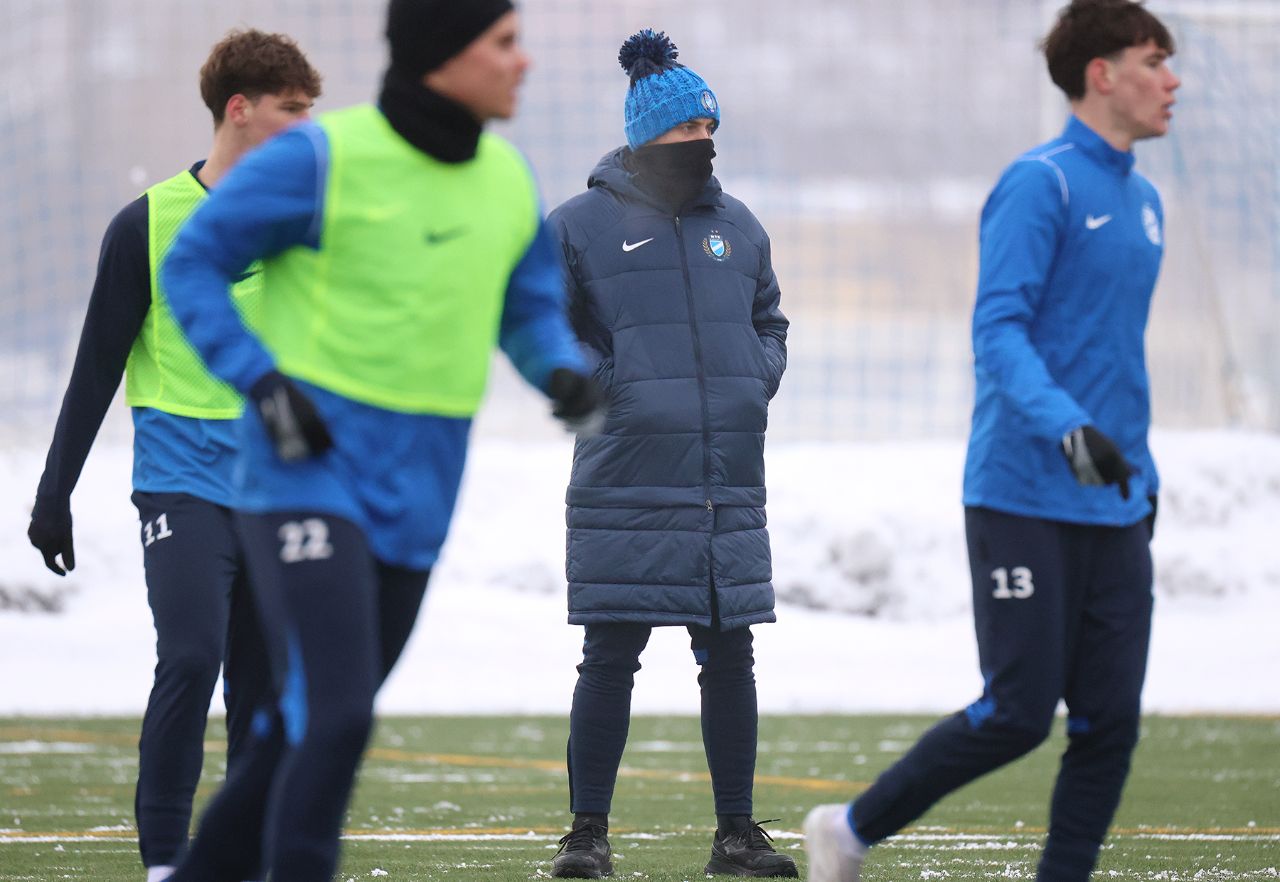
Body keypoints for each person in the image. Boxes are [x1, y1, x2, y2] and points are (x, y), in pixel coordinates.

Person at [155, 1, 603, 879]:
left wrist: (560, 369)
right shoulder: (319, 157)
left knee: (301, 726)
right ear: (446, 52)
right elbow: (192, 263)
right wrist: (261, 380)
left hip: (423, 490)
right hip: (305, 474)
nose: (524, 62)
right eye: (504, 43)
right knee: (339, 717)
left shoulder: (508, 179)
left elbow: (528, 309)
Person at [804, 2, 1179, 880]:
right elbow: (998, 332)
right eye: (1154, 61)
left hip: (1116, 499)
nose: (1172, 82)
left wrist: (1142, 474)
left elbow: (1112, 354)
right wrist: (1068, 429)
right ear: (1102, 74)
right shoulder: (1039, 184)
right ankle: (848, 831)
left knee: (1110, 722)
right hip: (1022, 494)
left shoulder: (1147, 202)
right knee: (1018, 713)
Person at [25, 29, 321, 882]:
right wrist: (54, 493)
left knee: (264, 688)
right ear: (240, 109)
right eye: (292, 110)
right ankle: (164, 862)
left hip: (276, 488)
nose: (308, 128)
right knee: (191, 656)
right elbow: (96, 368)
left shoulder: (310, 226)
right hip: (180, 483)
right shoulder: (145, 224)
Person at [545, 29, 795, 880]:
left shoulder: (740, 227)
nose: (703, 141)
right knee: (609, 657)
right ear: (648, 132)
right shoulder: (579, 226)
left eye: (709, 127)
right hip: (625, 476)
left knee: (730, 658)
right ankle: (586, 836)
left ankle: (737, 836)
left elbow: (770, 322)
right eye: (688, 127)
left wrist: (751, 380)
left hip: (726, 480)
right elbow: (548, 330)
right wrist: (616, 389)